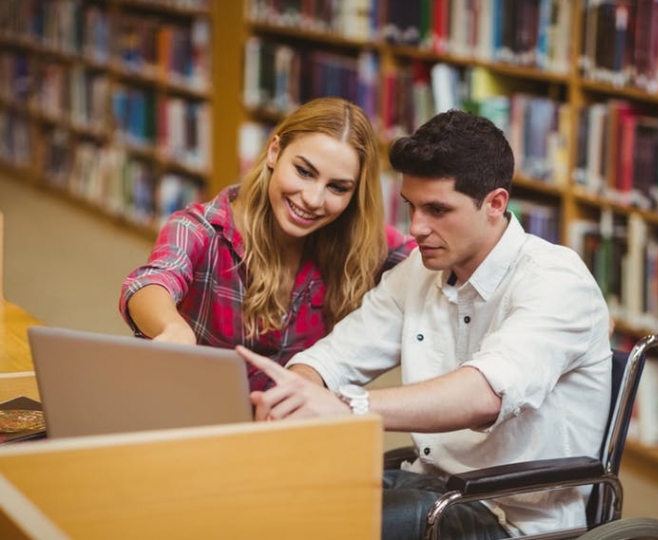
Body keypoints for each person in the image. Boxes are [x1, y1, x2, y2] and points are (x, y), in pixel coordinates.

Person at [238, 109, 612, 539]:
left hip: (512, 516)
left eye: (437, 209)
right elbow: (337, 355)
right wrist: (298, 390)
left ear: (494, 204)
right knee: (269, 503)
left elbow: (484, 392)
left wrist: (350, 407)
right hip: (430, 488)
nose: (416, 228)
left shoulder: (556, 281)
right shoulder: (421, 270)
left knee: (318, 527)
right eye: (412, 207)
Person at [120, 97, 415, 392]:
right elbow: (150, 281)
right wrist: (172, 327)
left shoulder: (358, 238)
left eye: (337, 187)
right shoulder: (201, 229)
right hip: (200, 418)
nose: (313, 199)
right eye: (304, 171)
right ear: (275, 152)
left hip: (289, 427)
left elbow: (431, 254)